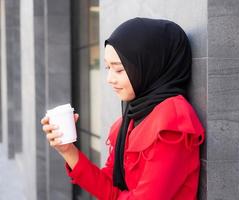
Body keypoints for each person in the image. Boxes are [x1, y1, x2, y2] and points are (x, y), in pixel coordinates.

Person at [41, 17, 205, 200]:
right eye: (107, 68)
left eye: (119, 70)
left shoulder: (172, 121)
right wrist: (67, 150)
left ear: (150, 66)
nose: (109, 78)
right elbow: (108, 186)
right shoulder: (133, 116)